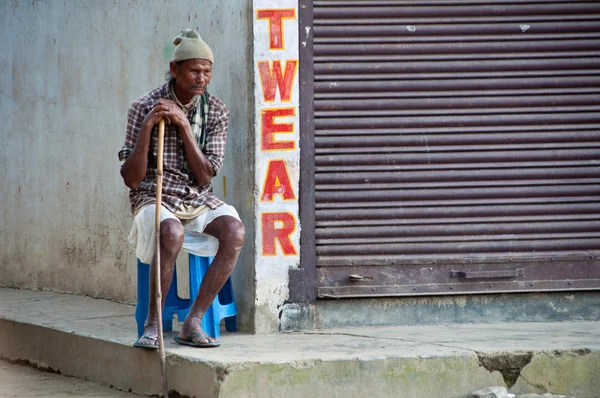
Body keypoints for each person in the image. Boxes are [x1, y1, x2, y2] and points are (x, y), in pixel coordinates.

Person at [118, 29, 244, 349]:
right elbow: (131, 179)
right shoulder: (142, 106)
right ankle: (153, 324)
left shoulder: (216, 111)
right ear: (175, 71)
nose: (201, 78)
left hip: (195, 196)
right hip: (152, 194)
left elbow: (204, 177)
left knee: (235, 230)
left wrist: (185, 127)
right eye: (194, 71)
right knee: (171, 231)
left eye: (207, 71)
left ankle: (194, 321)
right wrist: (149, 125)